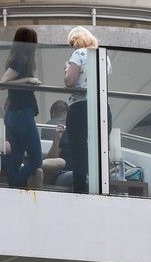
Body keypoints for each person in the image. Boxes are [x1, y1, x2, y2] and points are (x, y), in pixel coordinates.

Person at [64, 26, 111, 194]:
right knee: (100, 148)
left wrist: (67, 70)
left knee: (78, 149)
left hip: (80, 107)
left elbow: (70, 81)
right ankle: (101, 186)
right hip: (102, 107)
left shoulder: (78, 54)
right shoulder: (103, 57)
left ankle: (80, 188)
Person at [2, 27, 43, 190]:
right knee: (36, 159)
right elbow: (3, 83)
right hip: (22, 114)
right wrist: (28, 80)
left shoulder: (17, 59)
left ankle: (13, 188)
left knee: (17, 158)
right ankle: (15, 187)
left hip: (13, 114)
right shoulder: (21, 61)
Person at [43, 99, 73, 189]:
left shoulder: (90, 137)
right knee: (78, 176)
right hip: (64, 173)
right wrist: (57, 138)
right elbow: (51, 159)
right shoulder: (65, 132)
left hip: (87, 174)